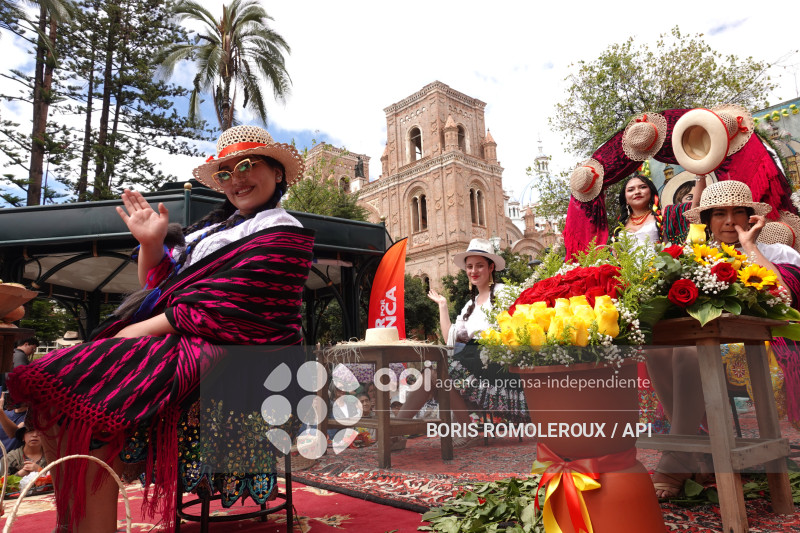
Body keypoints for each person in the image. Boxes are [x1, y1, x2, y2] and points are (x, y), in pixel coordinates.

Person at [7, 125, 315, 532]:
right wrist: (151, 244)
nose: (236, 179)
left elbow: (234, 304)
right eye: (225, 172)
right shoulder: (212, 232)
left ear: (278, 173)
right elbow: (158, 286)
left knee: (90, 397)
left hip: (245, 354)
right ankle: (75, 525)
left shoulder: (285, 232)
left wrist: (136, 331)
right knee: (60, 393)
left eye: (247, 165)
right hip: (186, 340)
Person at [647, 180, 800, 498]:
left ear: (750, 217)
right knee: (658, 351)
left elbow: (782, 299)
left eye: (738, 212)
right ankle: (694, 450)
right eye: (719, 213)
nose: (729, 220)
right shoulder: (697, 257)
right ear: (707, 220)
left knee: (689, 353)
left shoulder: (776, 252)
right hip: (705, 340)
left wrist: (749, 247)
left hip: (762, 343)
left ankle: (679, 457)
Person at [397, 238, 528, 448]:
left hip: (494, 361)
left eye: (479, 265)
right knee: (433, 375)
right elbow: (451, 337)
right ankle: (396, 432)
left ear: (491, 267)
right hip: (470, 359)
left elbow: (518, 328)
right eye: (469, 266)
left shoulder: (504, 293)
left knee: (439, 372)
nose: (473, 271)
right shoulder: (470, 304)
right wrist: (442, 306)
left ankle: (399, 431)